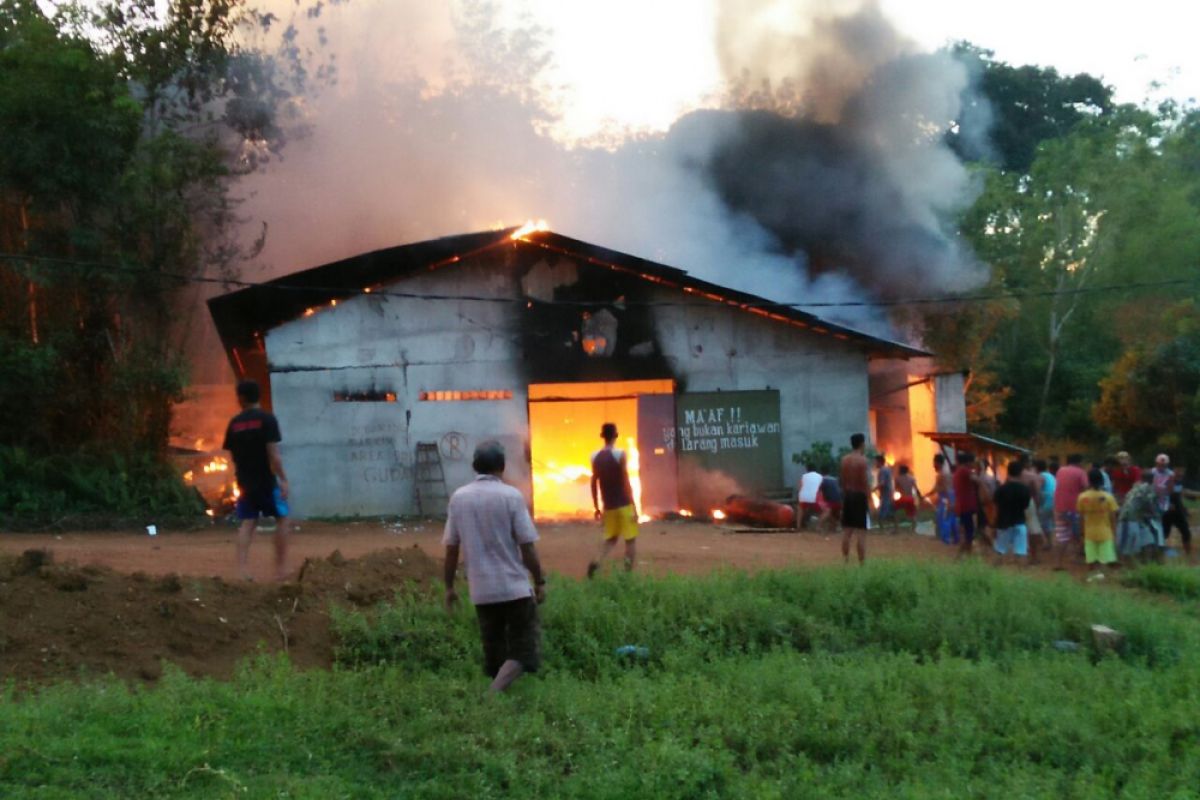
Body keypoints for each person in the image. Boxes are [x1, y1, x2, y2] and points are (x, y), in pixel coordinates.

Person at [443, 441, 546, 693]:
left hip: (481, 591)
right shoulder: (511, 496)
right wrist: (540, 580)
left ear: (474, 466)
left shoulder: (459, 498)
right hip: (514, 589)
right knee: (525, 652)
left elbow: (451, 548)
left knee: (495, 656)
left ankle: (498, 699)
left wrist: (449, 587)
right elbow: (527, 547)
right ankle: (491, 696)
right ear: (502, 466)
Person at [222, 379, 291, 581]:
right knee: (283, 520)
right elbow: (274, 455)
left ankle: (242, 571)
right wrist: (283, 479)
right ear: (258, 396)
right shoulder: (267, 420)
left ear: (241, 398)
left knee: (247, 523)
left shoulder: (234, 424)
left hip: (244, 482)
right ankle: (281, 570)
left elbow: (231, 455)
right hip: (267, 482)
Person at [588, 423, 639, 577]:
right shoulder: (620, 455)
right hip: (623, 504)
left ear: (602, 437)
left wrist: (597, 507)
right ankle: (627, 575)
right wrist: (634, 506)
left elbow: (593, 482)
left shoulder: (594, 457)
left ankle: (596, 562)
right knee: (630, 540)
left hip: (608, 506)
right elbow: (626, 481)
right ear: (616, 436)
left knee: (610, 539)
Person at [1078, 468, 1119, 575]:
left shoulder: (1082, 497)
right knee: (1104, 559)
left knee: (1091, 559)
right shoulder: (1108, 497)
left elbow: (1081, 517)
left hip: (1089, 532)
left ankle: (1092, 577)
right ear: (1102, 480)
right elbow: (1113, 517)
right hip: (1105, 532)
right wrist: (1114, 533)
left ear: (1089, 480)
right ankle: (1101, 578)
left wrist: (1081, 533)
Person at [1053, 454, 1090, 571]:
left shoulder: (1060, 470)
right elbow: (1086, 487)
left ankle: (1058, 562)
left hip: (1059, 507)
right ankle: (1075, 558)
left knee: (1062, 536)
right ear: (1079, 462)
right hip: (1074, 508)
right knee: (1077, 534)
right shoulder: (1081, 472)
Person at [1117, 472, 1164, 563]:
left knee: (1147, 541)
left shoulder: (1135, 487)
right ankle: (1128, 565)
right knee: (1128, 546)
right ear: (1152, 480)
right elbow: (1150, 505)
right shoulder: (1147, 488)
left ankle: (1143, 564)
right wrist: (1157, 515)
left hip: (1136, 518)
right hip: (1129, 519)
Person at [992, 460, 1032, 566]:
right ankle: (1021, 579)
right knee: (1021, 552)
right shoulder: (1025, 490)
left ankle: (993, 576)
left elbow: (996, 509)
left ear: (1008, 472)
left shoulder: (1001, 489)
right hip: (1020, 522)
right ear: (1020, 473)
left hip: (1003, 523)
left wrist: (994, 525)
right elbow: (1025, 507)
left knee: (1000, 551)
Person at [839, 433, 870, 564]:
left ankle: (846, 560)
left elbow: (842, 481)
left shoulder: (844, 460)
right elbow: (864, 481)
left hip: (848, 496)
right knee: (861, 533)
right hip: (859, 496)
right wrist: (870, 499)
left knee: (847, 531)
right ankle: (861, 563)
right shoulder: (863, 461)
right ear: (862, 444)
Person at [1162, 465, 1194, 562]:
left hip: (1178, 513)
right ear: (1173, 471)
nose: (1180, 474)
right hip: (1167, 513)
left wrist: (1184, 510)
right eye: (1178, 471)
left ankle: (1188, 556)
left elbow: (1179, 497)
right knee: (1164, 535)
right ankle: (1157, 555)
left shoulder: (1180, 482)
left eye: (1182, 472)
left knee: (1186, 533)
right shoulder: (1166, 481)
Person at [953, 452, 983, 556]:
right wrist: (980, 473)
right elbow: (977, 480)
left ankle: (965, 554)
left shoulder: (958, 471)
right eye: (973, 462)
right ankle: (963, 555)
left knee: (966, 530)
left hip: (962, 505)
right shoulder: (965, 471)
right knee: (969, 531)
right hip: (967, 505)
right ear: (968, 462)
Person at [1019, 459, 1045, 564]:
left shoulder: (1013, 476)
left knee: (1020, 530)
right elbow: (1038, 493)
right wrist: (1038, 506)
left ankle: (1022, 556)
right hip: (1029, 503)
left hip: (1016, 504)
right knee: (1033, 531)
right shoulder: (1032, 476)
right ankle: (1034, 557)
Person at [929, 453, 957, 544]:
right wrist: (927, 494)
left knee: (944, 518)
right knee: (950, 517)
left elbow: (946, 488)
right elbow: (937, 488)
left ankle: (946, 539)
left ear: (938, 463)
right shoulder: (944, 473)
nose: (933, 466)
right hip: (947, 497)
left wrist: (950, 501)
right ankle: (955, 538)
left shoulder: (943, 474)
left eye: (934, 463)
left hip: (946, 498)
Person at [797, 462, 824, 530]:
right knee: (825, 511)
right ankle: (818, 526)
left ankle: (798, 526)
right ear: (815, 469)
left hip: (803, 496)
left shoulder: (803, 476)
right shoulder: (820, 476)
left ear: (807, 469)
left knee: (800, 509)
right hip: (815, 497)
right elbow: (821, 488)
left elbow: (800, 487)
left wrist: (800, 497)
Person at [894, 464, 921, 529]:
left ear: (901, 470)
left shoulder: (897, 478)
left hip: (902, 498)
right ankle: (914, 528)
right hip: (910, 498)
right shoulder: (912, 478)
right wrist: (920, 496)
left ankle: (897, 528)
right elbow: (916, 488)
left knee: (895, 512)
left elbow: (896, 488)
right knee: (913, 514)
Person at [873, 455, 897, 532]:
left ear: (880, 462)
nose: (875, 463)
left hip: (886, 494)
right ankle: (896, 528)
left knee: (882, 512)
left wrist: (873, 489)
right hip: (887, 493)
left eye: (876, 462)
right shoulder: (887, 469)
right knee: (889, 512)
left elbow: (882, 484)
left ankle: (882, 530)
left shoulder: (882, 471)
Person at [1036, 459, 1056, 545]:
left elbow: (1037, 490)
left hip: (1046, 502)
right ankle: (1050, 542)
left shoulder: (1040, 476)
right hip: (1054, 501)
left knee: (1042, 523)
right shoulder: (1051, 475)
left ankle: (1047, 542)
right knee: (1048, 522)